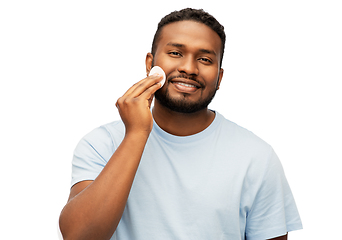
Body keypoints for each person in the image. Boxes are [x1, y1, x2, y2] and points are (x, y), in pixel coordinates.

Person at [59, 8, 302, 240]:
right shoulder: (101, 144)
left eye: (205, 59)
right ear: (149, 64)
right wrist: (136, 134)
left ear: (219, 77)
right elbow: (79, 236)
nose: (188, 68)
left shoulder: (256, 157)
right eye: (176, 53)